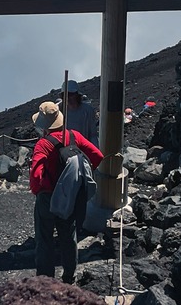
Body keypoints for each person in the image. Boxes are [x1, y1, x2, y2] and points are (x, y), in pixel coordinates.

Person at [30, 101, 103, 284]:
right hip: (70, 194)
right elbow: (97, 156)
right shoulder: (74, 136)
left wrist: (39, 190)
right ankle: (69, 276)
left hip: (48, 196)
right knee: (68, 237)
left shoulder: (43, 145)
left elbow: (36, 175)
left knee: (45, 238)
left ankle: (45, 282)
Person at [58, 80, 99, 147]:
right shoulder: (58, 110)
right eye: (65, 95)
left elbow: (92, 134)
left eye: (71, 94)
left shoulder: (87, 111)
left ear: (77, 95)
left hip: (82, 149)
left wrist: (95, 151)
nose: (68, 98)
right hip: (63, 149)